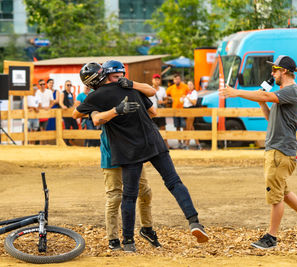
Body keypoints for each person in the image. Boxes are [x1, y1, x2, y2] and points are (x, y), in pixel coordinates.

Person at [74, 61, 208, 252]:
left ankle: (128, 242)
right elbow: (153, 110)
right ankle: (194, 222)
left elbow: (79, 114)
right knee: (173, 181)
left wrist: (109, 114)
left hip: (129, 150)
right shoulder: (132, 88)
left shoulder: (96, 96)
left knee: (129, 196)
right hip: (153, 141)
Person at [219, 55, 297, 249]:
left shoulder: (291, 91)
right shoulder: (283, 93)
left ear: (283, 71)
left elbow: (264, 95)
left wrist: (236, 92)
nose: (272, 74)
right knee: (282, 192)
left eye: (274, 70)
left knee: (275, 196)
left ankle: (271, 237)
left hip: (280, 151)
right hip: (278, 149)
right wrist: (262, 104)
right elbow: (272, 119)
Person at [74, 62, 161, 251]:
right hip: (112, 152)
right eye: (115, 76)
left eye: (122, 75)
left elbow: (153, 110)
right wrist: (115, 111)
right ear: (105, 77)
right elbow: (83, 115)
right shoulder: (96, 97)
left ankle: (147, 228)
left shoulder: (128, 89)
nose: (119, 79)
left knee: (144, 192)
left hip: (132, 152)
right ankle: (113, 239)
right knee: (115, 196)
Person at [166, 73, 189, 148]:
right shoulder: (171, 88)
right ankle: (179, 142)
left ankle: (185, 142)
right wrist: (170, 99)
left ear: (180, 79)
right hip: (175, 110)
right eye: (175, 79)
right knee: (177, 126)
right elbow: (165, 96)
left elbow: (190, 94)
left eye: (178, 79)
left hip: (183, 110)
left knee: (184, 126)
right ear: (174, 80)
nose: (177, 80)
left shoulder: (185, 87)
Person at [148, 74, 168, 147]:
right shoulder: (149, 89)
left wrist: (162, 102)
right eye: (155, 79)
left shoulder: (162, 89)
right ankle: (154, 145)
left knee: (163, 127)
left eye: (158, 79)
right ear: (152, 80)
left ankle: (166, 145)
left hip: (161, 112)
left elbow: (166, 100)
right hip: (152, 112)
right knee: (152, 129)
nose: (157, 81)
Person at [183, 81, 201, 150]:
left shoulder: (194, 93)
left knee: (189, 127)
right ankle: (198, 143)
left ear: (193, 85)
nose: (189, 86)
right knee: (191, 128)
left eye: (191, 84)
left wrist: (187, 98)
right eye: (188, 85)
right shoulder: (187, 93)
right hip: (186, 110)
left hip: (191, 110)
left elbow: (194, 102)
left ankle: (187, 144)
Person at [59, 80, 78, 145]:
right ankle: (66, 142)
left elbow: (72, 103)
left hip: (71, 113)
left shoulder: (71, 93)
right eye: (68, 85)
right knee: (67, 127)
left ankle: (70, 140)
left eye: (70, 85)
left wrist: (74, 107)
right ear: (65, 86)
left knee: (76, 127)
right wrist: (63, 106)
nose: (69, 86)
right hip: (66, 113)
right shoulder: (63, 93)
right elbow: (60, 102)